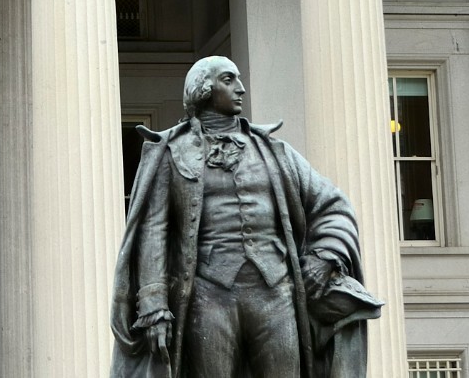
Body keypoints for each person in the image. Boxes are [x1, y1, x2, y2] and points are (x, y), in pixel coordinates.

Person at [110, 56, 380, 378]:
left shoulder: (273, 150)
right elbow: (153, 230)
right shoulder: (171, 152)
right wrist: (154, 306)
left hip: (275, 294)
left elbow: (333, 204)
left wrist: (326, 257)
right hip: (208, 298)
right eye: (229, 80)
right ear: (204, 89)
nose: (241, 89)